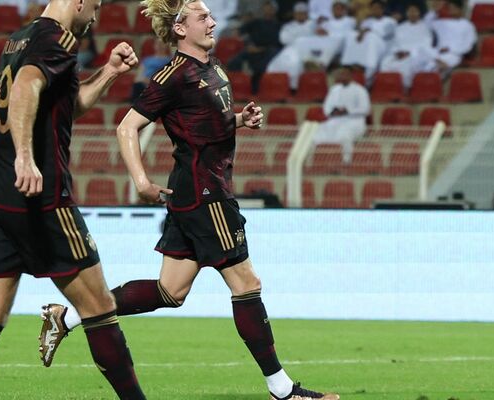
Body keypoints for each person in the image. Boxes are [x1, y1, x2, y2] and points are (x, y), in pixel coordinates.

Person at [38, 1, 339, 400]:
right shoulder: (172, 75)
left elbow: (205, 124)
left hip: (197, 191)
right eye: (202, 17)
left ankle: (68, 316)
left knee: (170, 291)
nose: (212, 21)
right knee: (247, 283)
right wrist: (142, 181)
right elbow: (127, 126)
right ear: (180, 29)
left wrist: (238, 120)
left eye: (211, 15)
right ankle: (283, 391)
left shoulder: (213, 69)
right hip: (205, 195)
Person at [0, 0, 146, 399]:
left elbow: (64, 105)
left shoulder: (18, 37)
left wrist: (109, 71)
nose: (94, 16)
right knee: (100, 308)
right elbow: (27, 85)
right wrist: (26, 156)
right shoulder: (57, 37)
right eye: (93, 6)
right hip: (41, 198)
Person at [312, 66, 371, 164]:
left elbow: (365, 109)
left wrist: (347, 111)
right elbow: (327, 107)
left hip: (354, 121)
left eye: (344, 74)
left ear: (351, 75)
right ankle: (318, 162)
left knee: (344, 135)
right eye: (340, 74)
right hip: (335, 120)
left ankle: (346, 162)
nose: (342, 76)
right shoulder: (334, 89)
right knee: (316, 133)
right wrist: (332, 112)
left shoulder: (360, 90)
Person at [379, 4, 434, 87]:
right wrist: (397, 53)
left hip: (416, 55)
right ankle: (388, 87)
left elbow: (426, 45)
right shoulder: (400, 27)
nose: (412, 13)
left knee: (407, 64)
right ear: (406, 13)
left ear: (419, 13)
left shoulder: (425, 28)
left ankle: (404, 88)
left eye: (414, 11)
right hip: (400, 54)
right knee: (385, 62)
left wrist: (409, 53)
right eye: (410, 11)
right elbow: (395, 43)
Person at [265, 2, 315, 90]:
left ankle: (293, 89)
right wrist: (300, 37)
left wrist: (296, 37)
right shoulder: (288, 26)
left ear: (306, 14)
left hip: (306, 51)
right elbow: (283, 39)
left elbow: (311, 38)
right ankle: (275, 88)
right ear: (294, 14)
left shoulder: (312, 25)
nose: (300, 16)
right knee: (272, 66)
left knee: (295, 65)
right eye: (298, 14)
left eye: (302, 13)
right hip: (289, 49)